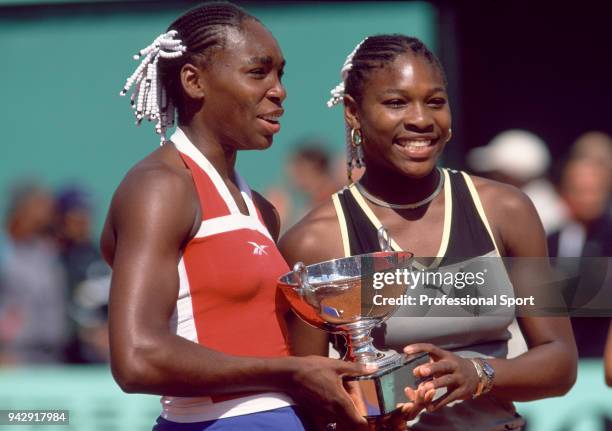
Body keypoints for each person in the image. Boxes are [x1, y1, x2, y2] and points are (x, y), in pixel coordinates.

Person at [279, 35, 578, 430]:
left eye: (435, 101)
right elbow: (307, 395)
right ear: (353, 112)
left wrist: (479, 374)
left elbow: (560, 361)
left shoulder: (505, 210)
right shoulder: (316, 240)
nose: (421, 119)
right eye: (396, 102)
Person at [102, 3, 372, 430]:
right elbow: (136, 358)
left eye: (281, 74)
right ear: (194, 80)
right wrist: (291, 373)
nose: (279, 90)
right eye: (258, 72)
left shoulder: (262, 209)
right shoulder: (160, 188)